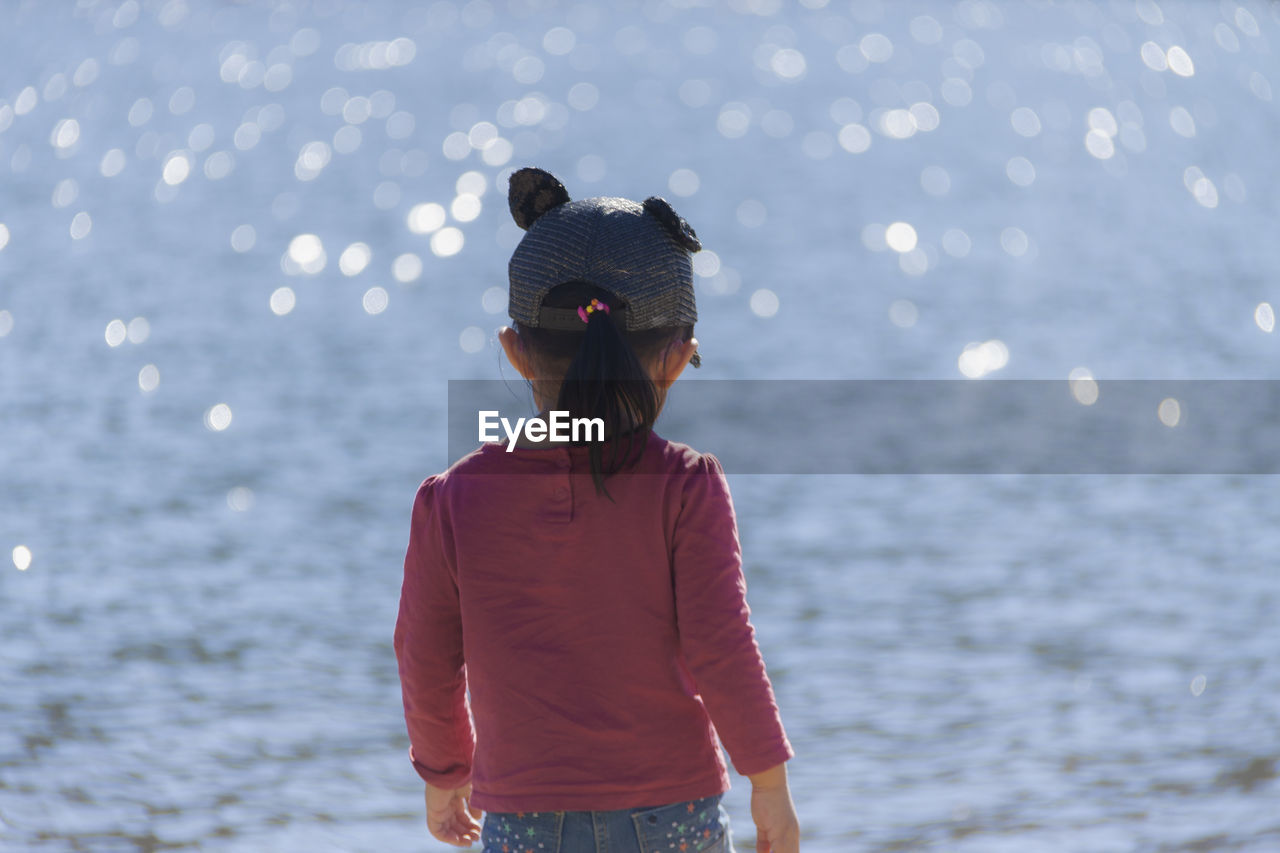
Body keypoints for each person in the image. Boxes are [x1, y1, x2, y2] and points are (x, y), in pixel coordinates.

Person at [394, 167, 799, 853]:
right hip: (671, 815)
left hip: (524, 821)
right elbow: (720, 644)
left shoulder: (455, 497)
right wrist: (768, 783)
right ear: (678, 359)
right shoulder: (684, 485)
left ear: (514, 352)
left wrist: (445, 771)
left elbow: (425, 655)